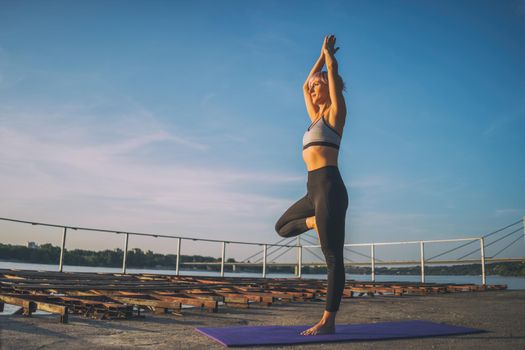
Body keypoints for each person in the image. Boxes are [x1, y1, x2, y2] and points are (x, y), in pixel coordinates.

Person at [274, 34, 348, 336]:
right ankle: (312, 221)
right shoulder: (313, 116)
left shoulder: (334, 114)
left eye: (319, 85)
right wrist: (318, 54)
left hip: (330, 188)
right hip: (312, 190)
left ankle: (328, 321)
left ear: (329, 90)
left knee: (333, 257)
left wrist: (328, 59)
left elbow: (330, 74)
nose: (313, 87)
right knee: (282, 226)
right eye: (315, 85)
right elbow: (303, 84)